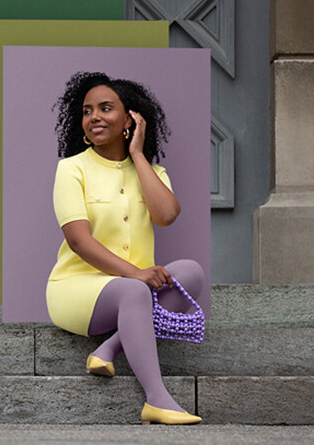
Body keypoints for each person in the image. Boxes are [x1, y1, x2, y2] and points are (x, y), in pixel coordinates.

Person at [46, 71, 205, 425]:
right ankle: (157, 400)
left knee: (190, 273)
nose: (94, 117)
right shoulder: (71, 169)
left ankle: (109, 348)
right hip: (77, 289)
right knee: (134, 290)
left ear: (130, 119)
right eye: (87, 111)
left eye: (105, 108)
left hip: (133, 286)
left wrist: (137, 154)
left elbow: (166, 215)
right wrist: (135, 274)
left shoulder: (153, 171)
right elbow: (78, 241)